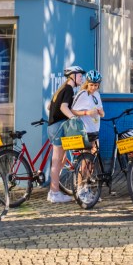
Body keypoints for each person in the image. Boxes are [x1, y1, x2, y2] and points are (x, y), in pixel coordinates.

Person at [46, 64, 85, 203]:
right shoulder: (68, 89)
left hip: (54, 126)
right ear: (72, 76)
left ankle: (55, 190)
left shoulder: (61, 89)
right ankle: (54, 192)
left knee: (61, 160)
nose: (82, 78)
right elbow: (63, 107)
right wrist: (73, 118)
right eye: (80, 75)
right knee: (56, 162)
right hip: (58, 127)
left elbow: (49, 106)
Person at [72, 70, 105, 148]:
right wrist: (86, 112)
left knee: (95, 155)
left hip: (95, 130)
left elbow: (102, 113)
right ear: (87, 83)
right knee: (86, 157)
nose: (93, 87)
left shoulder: (97, 94)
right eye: (91, 85)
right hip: (85, 131)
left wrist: (101, 113)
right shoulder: (82, 94)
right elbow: (72, 111)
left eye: (96, 85)